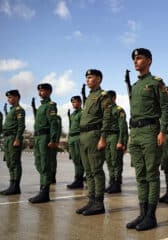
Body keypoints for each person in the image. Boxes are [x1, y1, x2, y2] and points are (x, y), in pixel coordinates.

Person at [126, 48, 168, 231]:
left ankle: (151, 216)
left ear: (149, 61)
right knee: (140, 175)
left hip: (151, 131)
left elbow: (165, 108)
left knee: (151, 175)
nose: (136, 62)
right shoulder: (136, 86)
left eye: (139, 58)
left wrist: (163, 131)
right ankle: (142, 213)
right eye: (134, 59)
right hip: (135, 133)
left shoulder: (155, 82)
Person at [76, 69, 112, 216]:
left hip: (94, 135)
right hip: (84, 136)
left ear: (99, 79)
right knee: (89, 171)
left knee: (96, 170)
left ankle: (99, 203)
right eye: (86, 78)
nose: (87, 80)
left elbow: (107, 118)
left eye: (90, 77)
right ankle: (91, 201)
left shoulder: (103, 96)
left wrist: (103, 138)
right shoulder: (90, 97)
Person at [29, 83, 59, 203]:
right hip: (38, 137)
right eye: (39, 91)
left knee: (45, 164)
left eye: (43, 90)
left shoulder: (50, 106)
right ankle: (42, 190)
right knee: (38, 163)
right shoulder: (41, 107)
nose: (40, 93)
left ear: (49, 92)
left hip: (45, 137)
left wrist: (53, 140)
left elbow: (54, 124)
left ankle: (44, 192)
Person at [0, 90, 25, 195]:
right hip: (7, 138)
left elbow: (21, 126)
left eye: (10, 97)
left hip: (13, 138)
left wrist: (17, 139)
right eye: (8, 98)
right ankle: (12, 185)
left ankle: (15, 186)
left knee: (15, 162)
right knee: (10, 162)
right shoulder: (11, 110)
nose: (9, 99)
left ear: (17, 97)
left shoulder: (19, 110)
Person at [105, 90, 127, 194]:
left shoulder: (119, 110)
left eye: (108, 98)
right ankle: (111, 183)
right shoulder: (105, 110)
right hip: (107, 137)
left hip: (115, 136)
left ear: (114, 98)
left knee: (116, 162)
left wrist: (121, 141)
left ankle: (117, 184)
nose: (106, 100)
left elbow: (122, 127)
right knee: (109, 161)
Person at [67, 96, 84, 189]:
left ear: (80, 102)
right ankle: (77, 179)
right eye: (72, 102)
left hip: (78, 137)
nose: (74, 104)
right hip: (72, 138)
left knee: (79, 160)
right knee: (75, 160)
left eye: (75, 102)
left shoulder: (82, 113)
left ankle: (79, 180)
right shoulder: (73, 114)